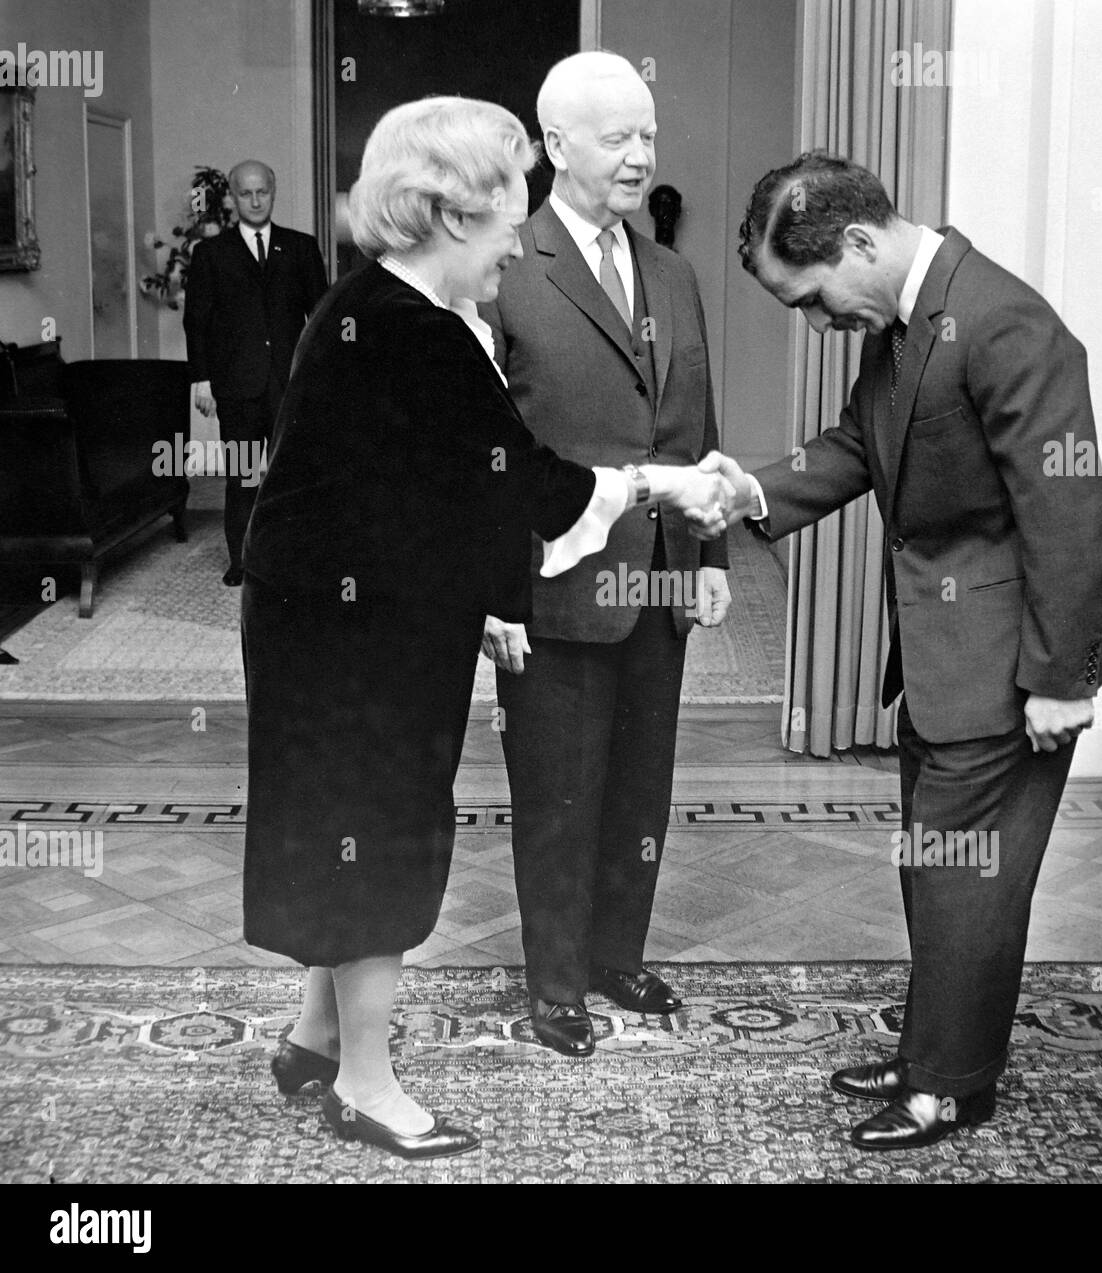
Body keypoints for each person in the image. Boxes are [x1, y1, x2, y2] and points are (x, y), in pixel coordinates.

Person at [239, 96, 730, 1160]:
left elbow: (429, 494)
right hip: (352, 636)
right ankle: (367, 1084)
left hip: (338, 613)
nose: (520, 234)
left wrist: (485, 605)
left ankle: (316, 1037)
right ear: (452, 214)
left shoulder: (372, 308)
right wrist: (662, 485)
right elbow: (530, 490)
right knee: (376, 827)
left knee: (342, 820)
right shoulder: (416, 331)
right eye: (509, 213)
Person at [694, 151, 1102, 1150]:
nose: (815, 322)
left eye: (812, 300)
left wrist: (1061, 682)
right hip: (944, 655)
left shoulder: (1005, 323)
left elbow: (1067, 510)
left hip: (1010, 664)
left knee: (966, 876)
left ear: (857, 243)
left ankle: (943, 1088)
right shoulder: (900, 325)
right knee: (936, 866)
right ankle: (937, 1052)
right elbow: (854, 444)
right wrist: (753, 492)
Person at [478, 51, 731, 1058]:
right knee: (559, 789)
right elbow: (485, 454)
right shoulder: (507, 268)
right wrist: (493, 594)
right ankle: (554, 983)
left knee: (640, 785)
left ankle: (616, 953)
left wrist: (709, 555)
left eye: (650, 135)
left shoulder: (670, 270)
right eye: (619, 137)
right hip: (555, 585)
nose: (641, 156)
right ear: (555, 147)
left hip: (660, 577)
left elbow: (692, 421)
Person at [183, 159, 328, 586]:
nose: (254, 199)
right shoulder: (211, 253)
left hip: (288, 385)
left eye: (261, 191)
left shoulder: (300, 248)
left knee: (290, 476)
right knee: (244, 477)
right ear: (232, 196)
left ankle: (292, 557)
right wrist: (202, 379)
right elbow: (197, 321)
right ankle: (242, 562)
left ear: (273, 191)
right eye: (244, 193)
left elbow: (319, 315)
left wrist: (317, 377)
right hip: (237, 385)